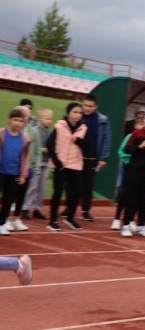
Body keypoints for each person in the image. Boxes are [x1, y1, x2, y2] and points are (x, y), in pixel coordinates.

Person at [46, 103, 87, 231]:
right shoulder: (59, 126)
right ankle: (52, 221)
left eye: (80, 113)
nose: (77, 115)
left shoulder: (83, 128)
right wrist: (56, 161)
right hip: (61, 165)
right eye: (75, 112)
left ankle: (70, 218)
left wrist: (78, 140)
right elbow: (49, 144)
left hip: (75, 165)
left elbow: (88, 147)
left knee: (77, 191)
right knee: (58, 192)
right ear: (68, 112)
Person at [78, 94, 111, 222]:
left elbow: (107, 139)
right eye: (85, 105)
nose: (87, 108)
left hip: (92, 158)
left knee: (88, 187)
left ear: (96, 106)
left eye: (90, 106)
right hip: (76, 157)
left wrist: (104, 158)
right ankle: (68, 208)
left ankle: (85, 210)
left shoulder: (102, 119)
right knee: (74, 186)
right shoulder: (77, 115)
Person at [9, 106, 40, 231]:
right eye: (23, 115)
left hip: (27, 168)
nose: (25, 118)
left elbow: (37, 150)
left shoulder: (34, 132)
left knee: (22, 195)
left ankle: (16, 219)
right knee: (10, 196)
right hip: (12, 169)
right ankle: (7, 219)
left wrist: (35, 167)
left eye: (27, 116)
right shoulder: (10, 131)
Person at [0, 108, 30, 236]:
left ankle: (1, 224)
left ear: (24, 123)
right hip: (0, 172)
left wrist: (23, 175)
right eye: (15, 120)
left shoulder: (24, 139)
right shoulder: (1, 133)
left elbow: (24, 158)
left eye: (20, 121)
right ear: (9, 120)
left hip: (14, 174)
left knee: (8, 201)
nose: (17, 123)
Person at [21, 109, 53, 220]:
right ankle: (25, 208)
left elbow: (52, 146)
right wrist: (41, 149)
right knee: (33, 186)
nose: (49, 121)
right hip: (36, 164)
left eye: (50, 119)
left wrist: (50, 150)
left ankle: (37, 209)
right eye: (47, 118)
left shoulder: (50, 132)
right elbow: (32, 147)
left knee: (41, 187)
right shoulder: (35, 131)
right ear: (40, 119)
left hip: (45, 163)